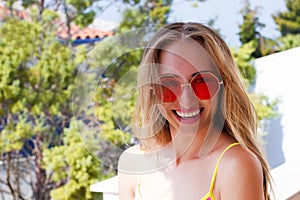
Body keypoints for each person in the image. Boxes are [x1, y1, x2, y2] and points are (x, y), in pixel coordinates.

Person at [118, 22, 273, 200]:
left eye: (202, 82)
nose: (187, 100)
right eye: (169, 84)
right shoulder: (133, 165)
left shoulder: (235, 165)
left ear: (224, 86)